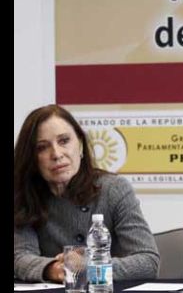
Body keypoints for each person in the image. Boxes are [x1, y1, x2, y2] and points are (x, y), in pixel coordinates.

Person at [14, 104, 159, 282]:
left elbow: (147, 261)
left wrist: (90, 268)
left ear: (81, 145)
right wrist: (55, 269)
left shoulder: (114, 189)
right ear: (31, 158)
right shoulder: (23, 195)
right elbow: (20, 257)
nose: (57, 154)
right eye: (42, 147)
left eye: (64, 141)